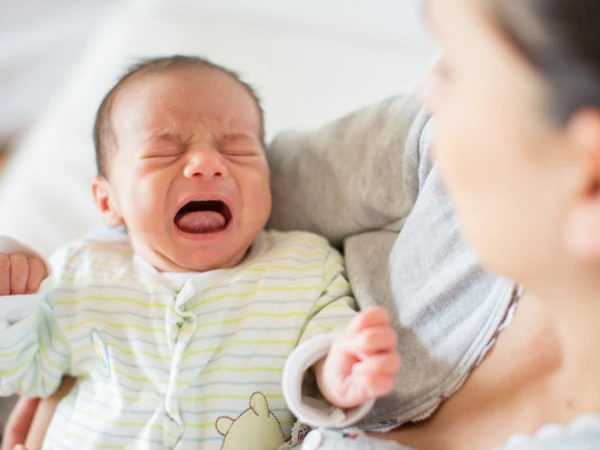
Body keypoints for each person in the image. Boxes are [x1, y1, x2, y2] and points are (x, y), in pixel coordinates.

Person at [7, 0, 600, 448]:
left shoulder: (307, 270)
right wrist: (55, 303)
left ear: (587, 176)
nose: (425, 91)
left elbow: (322, 339)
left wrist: (331, 372)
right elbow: (266, 180)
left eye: (460, 69)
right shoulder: (425, 155)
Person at [0, 55, 400, 449]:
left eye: (238, 150)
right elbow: (23, 373)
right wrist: (12, 301)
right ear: (108, 201)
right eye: (164, 152)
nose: (207, 163)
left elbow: (326, 342)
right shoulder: (82, 270)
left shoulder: (306, 266)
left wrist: (341, 369)